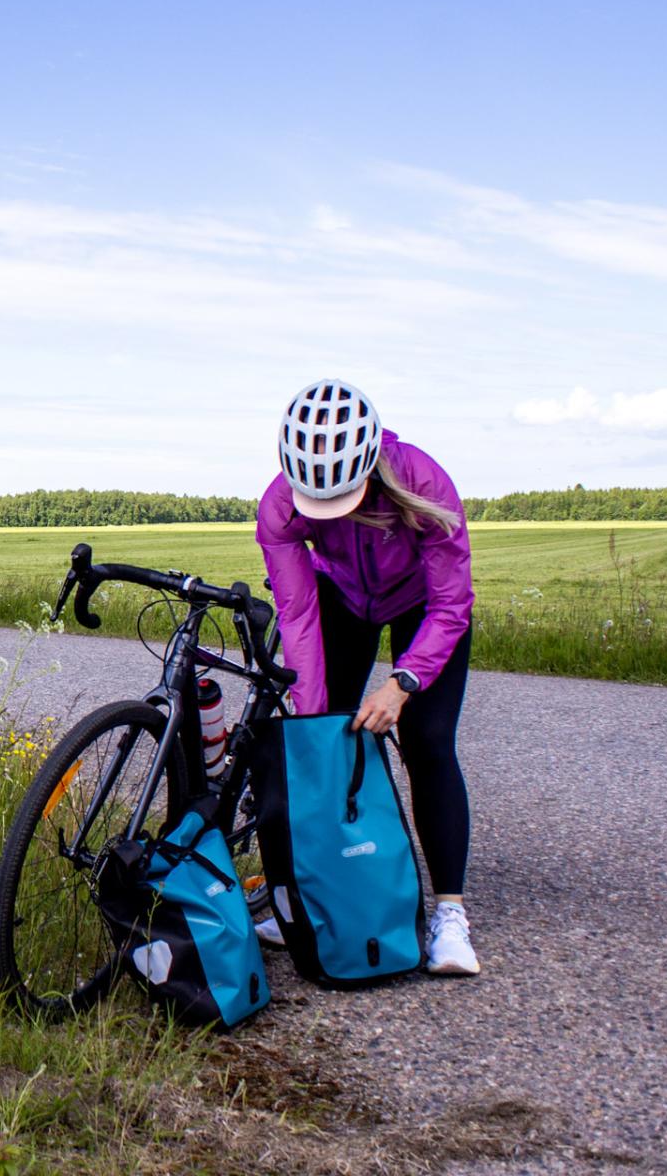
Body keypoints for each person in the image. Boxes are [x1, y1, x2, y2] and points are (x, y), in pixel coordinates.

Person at [253, 378, 480, 976]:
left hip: (423, 606)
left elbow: (451, 605)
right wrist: (311, 720)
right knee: (323, 732)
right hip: (342, 600)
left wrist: (403, 683)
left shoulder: (424, 482)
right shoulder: (279, 506)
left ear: (371, 468)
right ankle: (316, 892)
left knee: (427, 743)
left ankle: (449, 916)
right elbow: (298, 615)